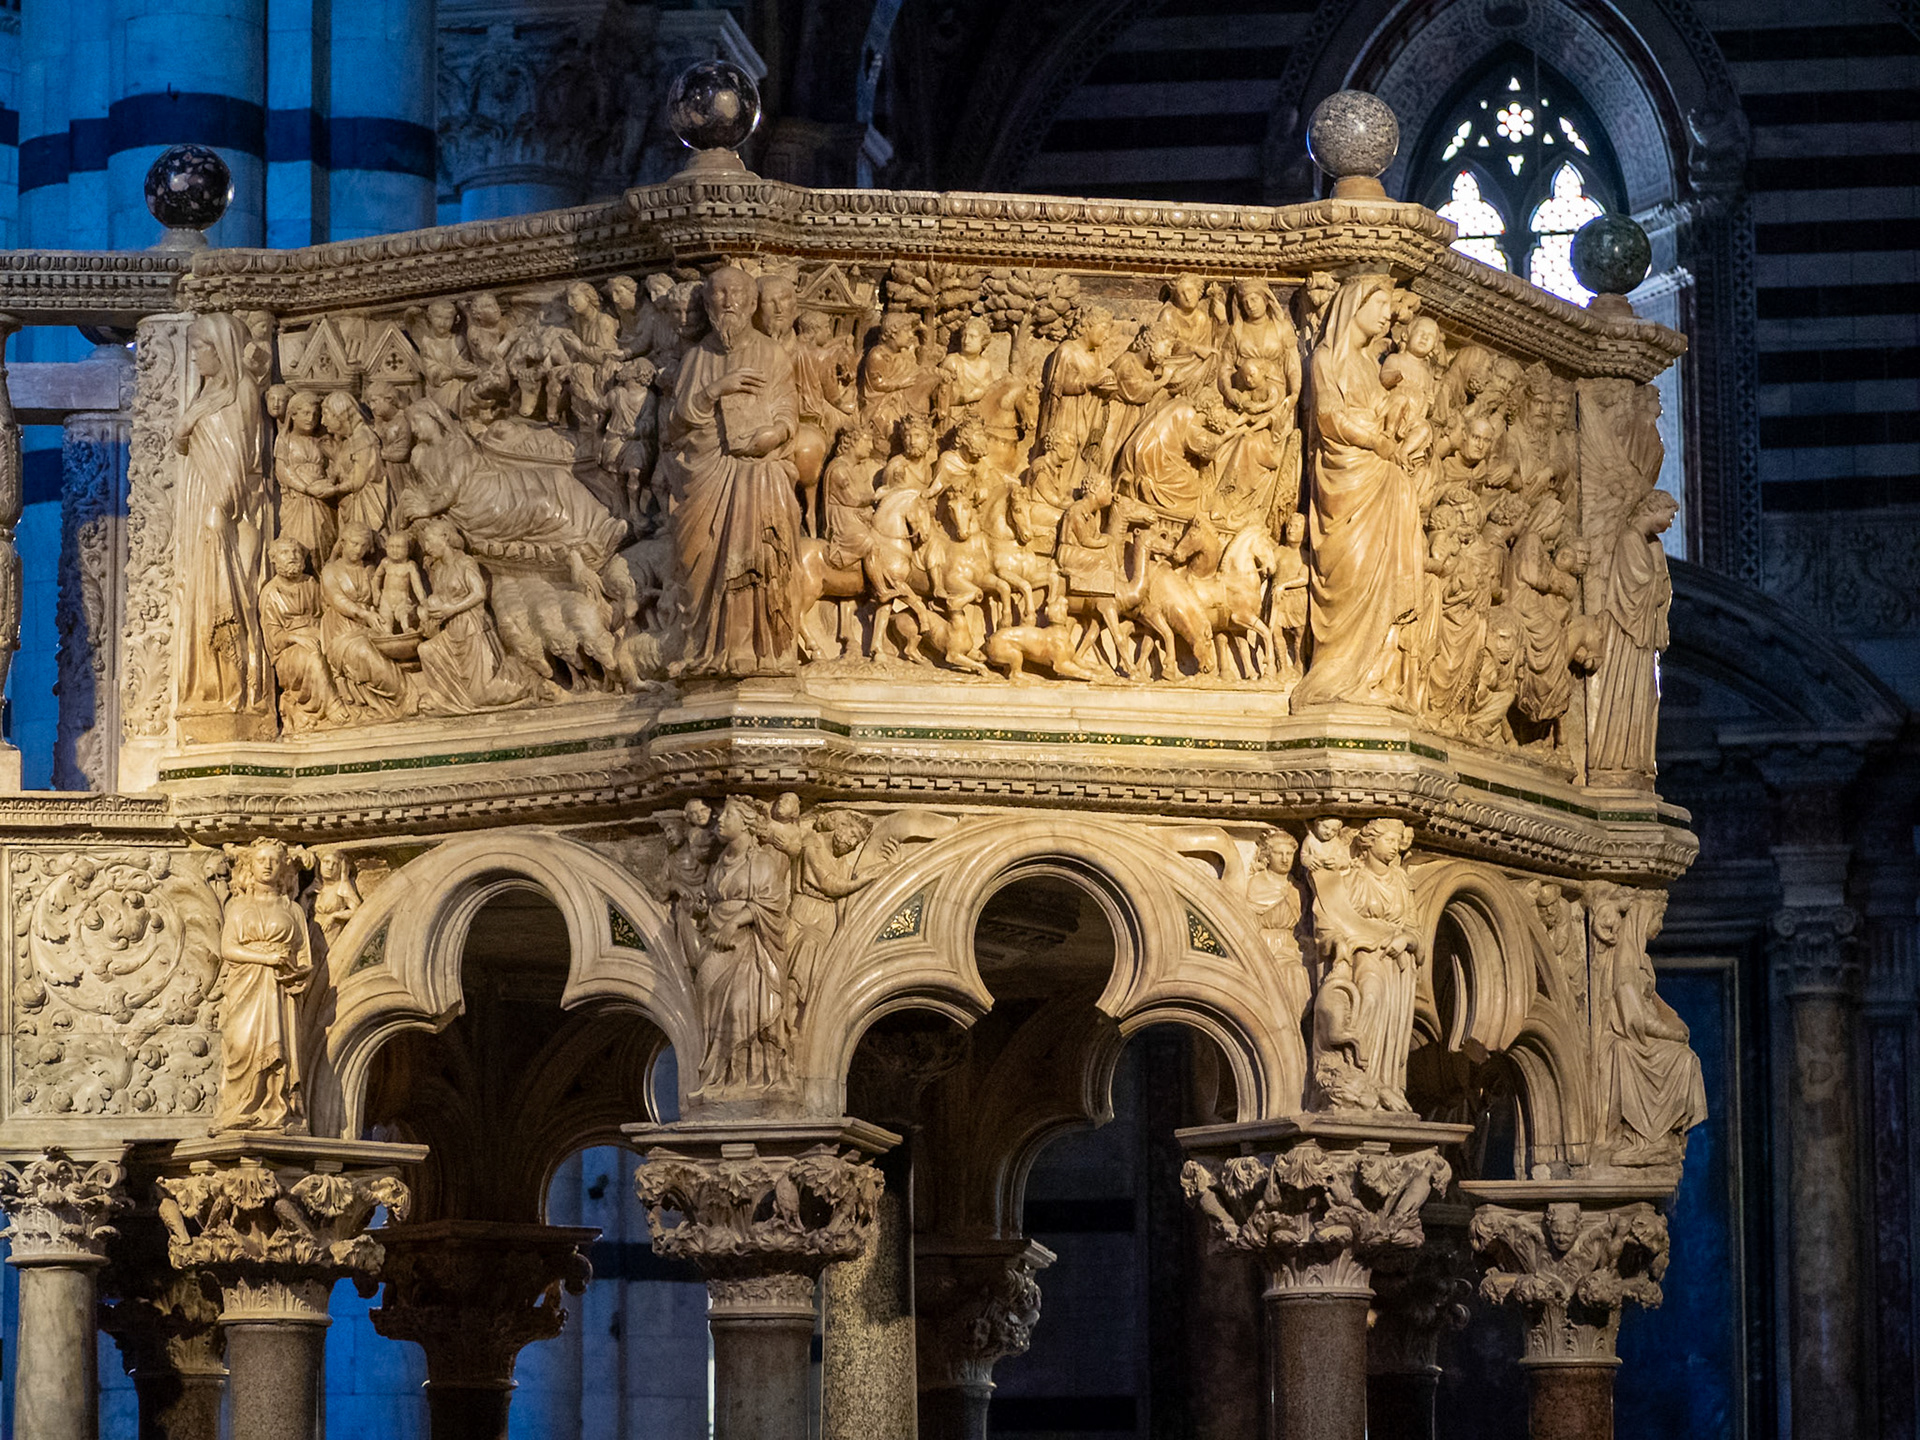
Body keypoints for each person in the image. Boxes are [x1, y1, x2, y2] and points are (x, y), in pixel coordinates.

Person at [659, 265, 804, 677]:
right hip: (706, 475)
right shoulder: (697, 357)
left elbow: (787, 411)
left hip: (757, 470)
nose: (728, 302)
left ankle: (762, 647)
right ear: (707, 304)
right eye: (718, 295)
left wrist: (773, 436)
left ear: (752, 302)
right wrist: (714, 390)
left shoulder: (771, 354)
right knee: (699, 559)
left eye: (736, 294)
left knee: (764, 518)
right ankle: (708, 646)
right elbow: (676, 424)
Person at [1291, 277, 1422, 710]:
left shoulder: (1371, 366)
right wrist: (1379, 443)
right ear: (1353, 305)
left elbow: (1383, 415)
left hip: (1382, 481)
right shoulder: (1327, 359)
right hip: (1346, 480)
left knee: (1382, 577)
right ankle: (1335, 680)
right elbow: (1329, 420)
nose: (1387, 313)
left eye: (1389, 304)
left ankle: (1374, 674)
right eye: (1379, 303)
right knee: (1351, 576)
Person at [175, 312, 273, 717]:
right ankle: (205, 687)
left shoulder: (242, 392)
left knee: (226, 594)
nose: (195, 356)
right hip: (199, 498)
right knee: (198, 593)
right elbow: (183, 441)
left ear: (222, 348)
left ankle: (234, 689)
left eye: (200, 347)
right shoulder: (205, 395)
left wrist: (222, 507)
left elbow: (244, 459)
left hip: (224, 508)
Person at [212, 840, 314, 1132]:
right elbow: (228, 948)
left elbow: (305, 956)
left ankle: (277, 1109)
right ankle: (239, 1110)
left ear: (283, 868)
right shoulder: (239, 906)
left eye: (274, 860)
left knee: (280, 1051)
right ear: (250, 866)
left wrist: (298, 973)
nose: (267, 865)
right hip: (246, 986)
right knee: (241, 1046)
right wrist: (266, 957)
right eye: (261, 860)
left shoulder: (293, 910)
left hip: (281, 991)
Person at [371, 530, 427, 635]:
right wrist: (376, 592)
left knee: (404, 615)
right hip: (386, 599)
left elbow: (417, 585)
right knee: (385, 618)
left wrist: (423, 600)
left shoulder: (410, 565)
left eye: (399, 547)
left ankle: (406, 629)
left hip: (403, 600)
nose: (394, 550)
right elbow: (376, 577)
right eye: (391, 547)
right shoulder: (385, 563)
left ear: (408, 549)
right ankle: (387, 633)